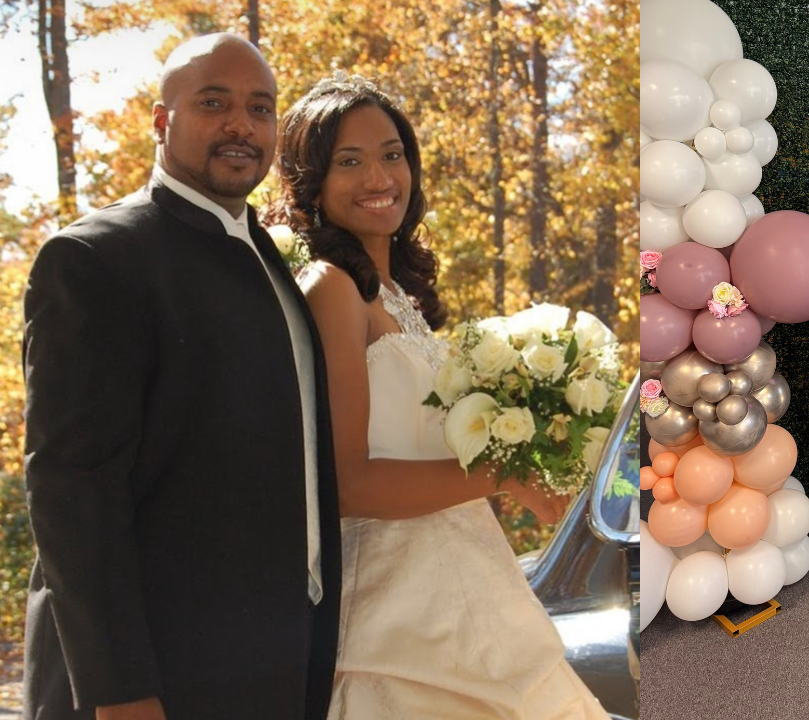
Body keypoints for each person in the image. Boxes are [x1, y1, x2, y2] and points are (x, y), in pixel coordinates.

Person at [22, 34, 341, 719]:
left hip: (273, 667)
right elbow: (73, 494)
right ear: (163, 122)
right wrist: (121, 693)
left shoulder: (265, 258)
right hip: (152, 684)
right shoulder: (95, 260)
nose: (240, 124)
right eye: (213, 103)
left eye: (259, 108)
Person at [275, 74, 609, 719]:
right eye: (349, 161)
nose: (378, 177)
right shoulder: (331, 288)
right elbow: (348, 484)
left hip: (470, 576)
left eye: (391, 154)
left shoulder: (393, 293)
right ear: (309, 182)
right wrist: (499, 473)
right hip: (398, 611)